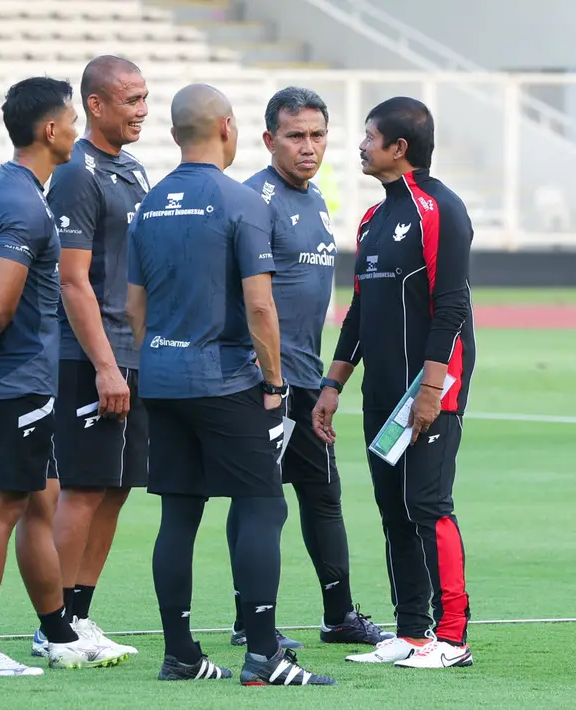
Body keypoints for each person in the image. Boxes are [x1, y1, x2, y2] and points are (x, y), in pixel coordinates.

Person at [125, 83, 335, 687]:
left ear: (173, 134)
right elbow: (260, 306)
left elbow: (134, 306)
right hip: (225, 379)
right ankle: (264, 654)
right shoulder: (242, 202)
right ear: (228, 128)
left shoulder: (152, 202)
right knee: (264, 504)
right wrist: (273, 383)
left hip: (162, 379)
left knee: (178, 516)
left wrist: (159, 357)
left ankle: (180, 654)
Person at [0, 76, 130, 676]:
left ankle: (58, 632)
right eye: (71, 120)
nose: (75, 130)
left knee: (41, 502)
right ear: (50, 130)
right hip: (17, 380)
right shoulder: (25, 206)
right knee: (4, 505)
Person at [313, 96, 477, 669]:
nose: (360, 145)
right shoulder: (373, 218)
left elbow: (452, 303)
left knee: (427, 504)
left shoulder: (442, 209)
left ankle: (452, 639)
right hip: (381, 389)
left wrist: (432, 389)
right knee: (392, 508)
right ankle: (412, 631)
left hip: (428, 389)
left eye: (368, 136)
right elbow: (361, 312)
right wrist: (333, 384)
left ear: (397, 148)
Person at [229, 86, 393, 650]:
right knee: (261, 498)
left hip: (304, 377)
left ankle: (337, 615)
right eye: (295, 136)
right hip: (262, 379)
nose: (309, 147)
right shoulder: (253, 200)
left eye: (318, 136)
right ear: (269, 139)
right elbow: (246, 297)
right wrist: (266, 373)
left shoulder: (316, 198)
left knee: (320, 493)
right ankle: (252, 619)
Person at [28, 55, 149, 661]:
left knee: (115, 488)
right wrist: (103, 364)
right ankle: (50, 626)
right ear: (95, 106)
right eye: (130, 100)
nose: (142, 111)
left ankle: (80, 614)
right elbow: (73, 279)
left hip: (132, 353)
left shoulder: (133, 169)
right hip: (86, 355)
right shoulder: (78, 173)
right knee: (80, 488)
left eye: (145, 99)